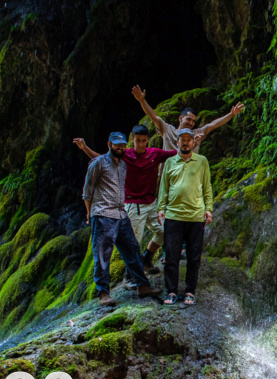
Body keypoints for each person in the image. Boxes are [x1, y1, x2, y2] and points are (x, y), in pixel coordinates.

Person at [73, 125, 177, 284]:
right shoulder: (125, 155)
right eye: (137, 141)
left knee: (164, 232)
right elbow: (101, 160)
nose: (141, 144)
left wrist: (195, 140)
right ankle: (129, 277)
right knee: (133, 244)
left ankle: (147, 260)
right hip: (133, 205)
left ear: (147, 140)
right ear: (132, 141)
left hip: (151, 203)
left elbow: (177, 153)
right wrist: (84, 148)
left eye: (143, 141)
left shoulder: (154, 153)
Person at [82, 132, 160, 307]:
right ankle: (103, 293)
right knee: (102, 255)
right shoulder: (98, 163)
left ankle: (142, 285)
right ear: (109, 144)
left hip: (121, 213)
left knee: (132, 249)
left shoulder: (124, 164)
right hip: (102, 214)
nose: (120, 148)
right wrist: (89, 214)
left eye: (123, 145)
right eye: (117, 145)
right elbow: (87, 191)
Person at [157, 127, 213, 306]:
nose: (186, 142)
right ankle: (171, 291)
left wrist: (209, 208)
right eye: (183, 139)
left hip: (196, 216)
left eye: (189, 139)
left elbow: (207, 187)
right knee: (171, 256)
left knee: (194, 257)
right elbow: (163, 188)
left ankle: (190, 291)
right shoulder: (169, 163)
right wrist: (161, 208)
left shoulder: (202, 161)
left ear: (193, 142)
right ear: (177, 142)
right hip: (173, 216)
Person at [131, 85, 245, 152]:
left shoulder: (196, 133)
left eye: (193, 121)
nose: (191, 123)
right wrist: (142, 100)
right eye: (189, 119)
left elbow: (213, 124)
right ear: (180, 118)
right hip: (169, 176)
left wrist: (231, 114)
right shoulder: (168, 130)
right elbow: (153, 116)